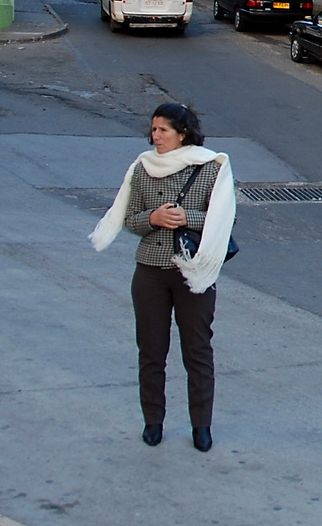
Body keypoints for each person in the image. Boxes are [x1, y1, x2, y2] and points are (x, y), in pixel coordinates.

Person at [89, 103, 237, 453]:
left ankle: (202, 426)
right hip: (150, 272)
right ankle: (153, 422)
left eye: (163, 130)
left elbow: (225, 217)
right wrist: (153, 217)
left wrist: (187, 217)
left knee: (197, 351)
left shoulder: (211, 166)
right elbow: (131, 220)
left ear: (182, 133)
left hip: (193, 272)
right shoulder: (141, 169)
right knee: (151, 351)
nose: (155, 136)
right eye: (153, 129)